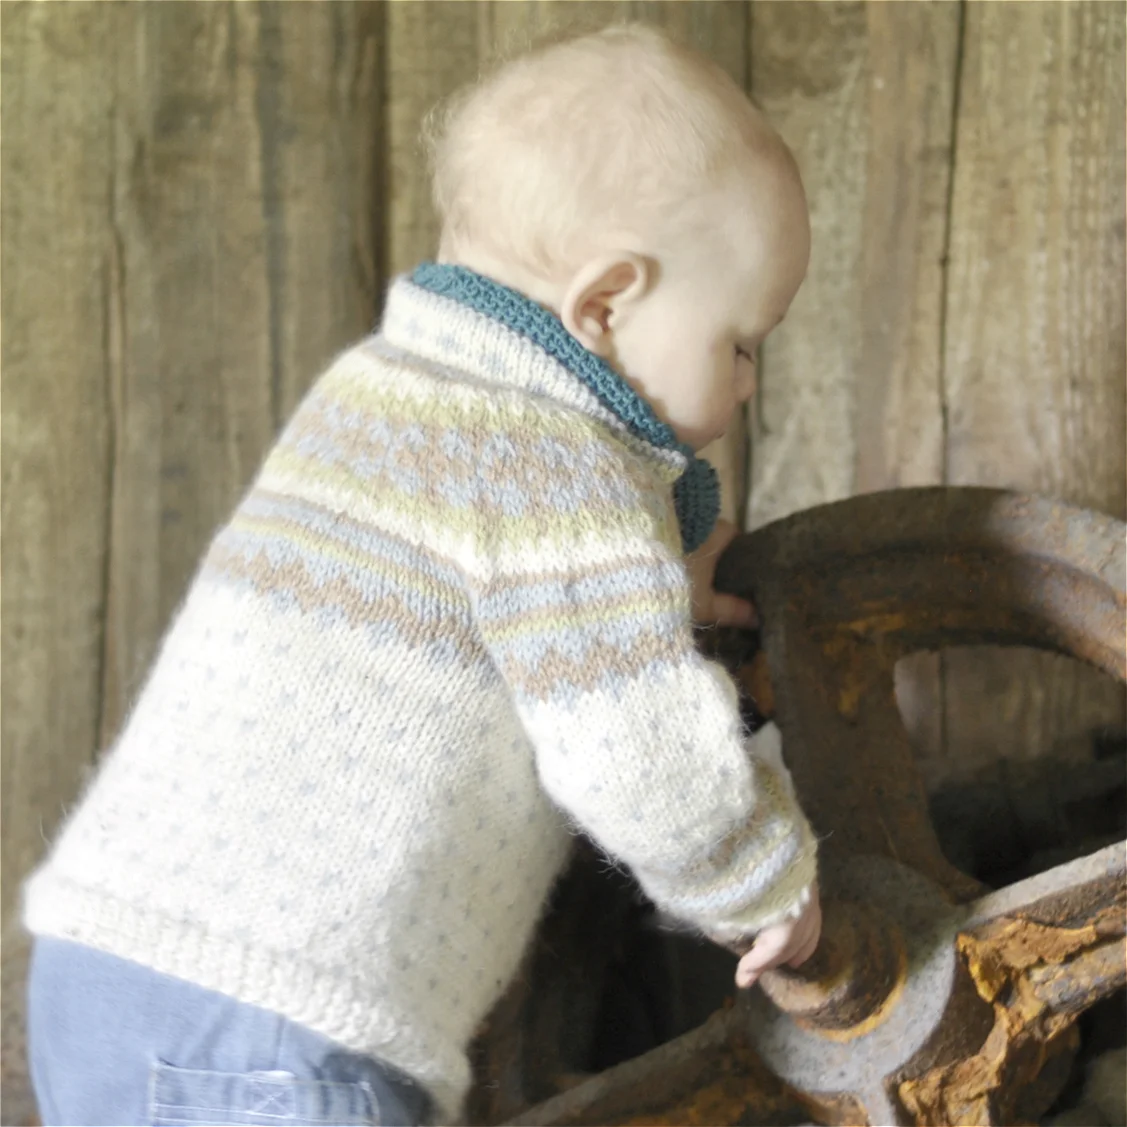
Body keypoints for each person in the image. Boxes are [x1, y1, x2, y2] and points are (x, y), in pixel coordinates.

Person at [23, 23, 820, 1127]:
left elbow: (454, 597)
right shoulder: (556, 465)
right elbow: (635, 753)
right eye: (740, 340)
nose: (743, 383)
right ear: (603, 304)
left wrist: (660, 579)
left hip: (106, 976)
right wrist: (762, 884)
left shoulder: (387, 393)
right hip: (279, 1036)